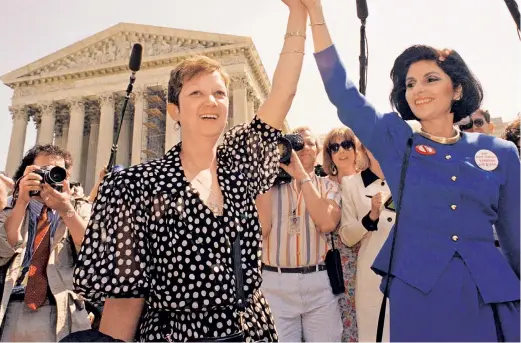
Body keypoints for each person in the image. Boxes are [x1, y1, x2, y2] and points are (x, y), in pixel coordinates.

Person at [72, 1, 308, 341]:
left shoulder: (241, 165)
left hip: (249, 331)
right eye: (196, 93)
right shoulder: (134, 185)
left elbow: (283, 93)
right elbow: (124, 298)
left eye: (219, 93)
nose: (210, 101)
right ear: (174, 110)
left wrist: (299, 12)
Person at [301, 0, 520, 341]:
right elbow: (343, 95)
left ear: (457, 88)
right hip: (420, 295)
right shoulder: (396, 143)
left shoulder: (502, 153)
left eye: (431, 79)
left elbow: (515, 241)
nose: (418, 89)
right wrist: (316, 14)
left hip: (489, 297)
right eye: (410, 83)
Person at [258, 126, 342, 342]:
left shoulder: (328, 186)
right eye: (297, 143)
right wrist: (267, 172)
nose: (304, 147)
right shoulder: (268, 187)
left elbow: (327, 223)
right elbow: (262, 229)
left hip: (319, 284)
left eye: (310, 143)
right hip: (275, 284)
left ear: (318, 151)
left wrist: (302, 177)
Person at [0, 144, 92, 341]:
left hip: (63, 313)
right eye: (41, 172)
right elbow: (2, 251)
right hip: (11, 307)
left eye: (56, 172)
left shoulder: (79, 209)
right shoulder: (9, 207)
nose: (48, 179)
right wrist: (20, 203)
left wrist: (66, 209)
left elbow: (91, 253)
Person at [338, 145, 393, 342]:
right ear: (363, 148)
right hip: (372, 278)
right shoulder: (351, 184)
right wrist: (370, 217)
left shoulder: (408, 178)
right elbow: (347, 236)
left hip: (409, 275)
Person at [321, 127, 363, 341]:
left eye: (346, 144)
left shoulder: (370, 180)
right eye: (334, 147)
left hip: (368, 259)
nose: (341, 151)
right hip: (339, 266)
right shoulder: (325, 184)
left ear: (356, 149)